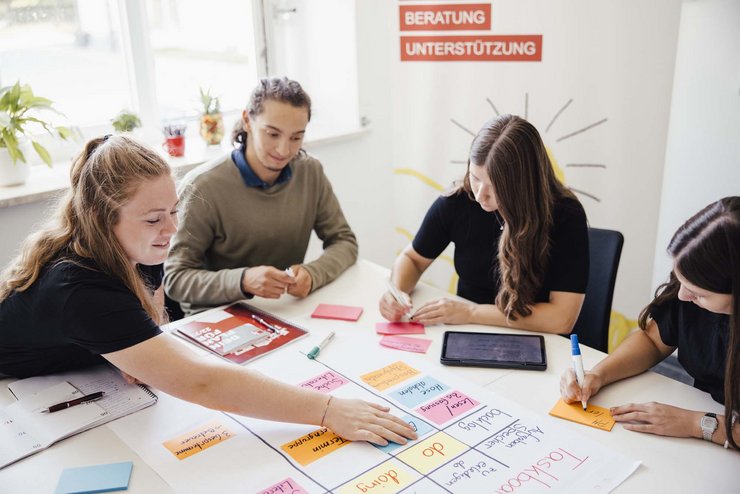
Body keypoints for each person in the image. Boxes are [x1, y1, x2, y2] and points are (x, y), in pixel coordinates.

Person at [0, 136, 415, 446]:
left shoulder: (139, 244)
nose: (172, 229)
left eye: (174, 211)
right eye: (153, 219)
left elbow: (154, 317)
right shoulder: (78, 286)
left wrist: (137, 347)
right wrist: (328, 409)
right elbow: (201, 382)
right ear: (99, 215)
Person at [165, 77, 357, 316]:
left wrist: (313, 273)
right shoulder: (202, 187)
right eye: (272, 134)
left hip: (284, 310)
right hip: (217, 317)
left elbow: (344, 242)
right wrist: (242, 281)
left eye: (296, 137)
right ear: (247, 120)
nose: (284, 150)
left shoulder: (310, 171)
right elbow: (175, 279)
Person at [379, 114, 589, 334]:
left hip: (536, 337)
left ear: (524, 185)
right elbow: (413, 259)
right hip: (466, 331)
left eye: (494, 186)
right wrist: (397, 291)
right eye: (475, 178)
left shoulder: (566, 215)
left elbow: (561, 319)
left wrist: (472, 313)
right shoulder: (459, 200)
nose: (480, 195)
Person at [560, 197, 739, 449]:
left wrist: (696, 424)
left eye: (698, 293)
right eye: (680, 281)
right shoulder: (689, 289)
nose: (682, 297)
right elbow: (653, 341)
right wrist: (599, 374)